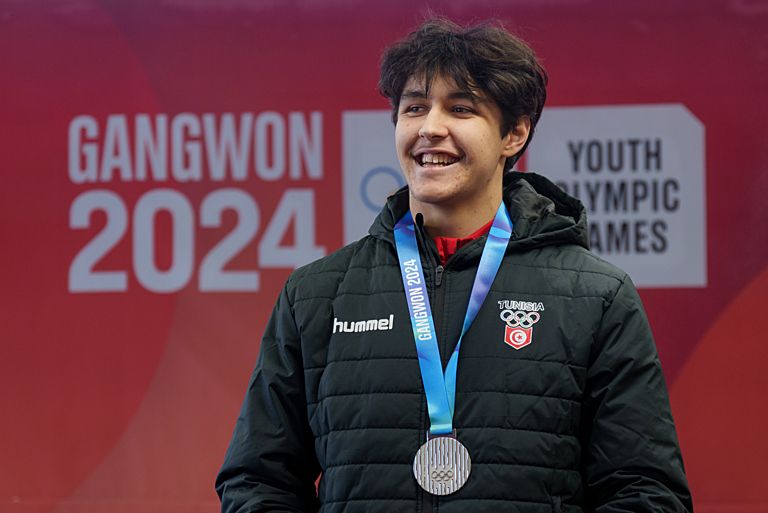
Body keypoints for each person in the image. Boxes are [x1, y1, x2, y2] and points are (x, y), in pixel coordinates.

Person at [216, 19, 693, 513]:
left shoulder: (597, 297)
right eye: (415, 107)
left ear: (515, 133)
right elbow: (257, 481)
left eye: (460, 108)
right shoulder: (316, 294)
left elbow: (646, 492)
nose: (429, 127)